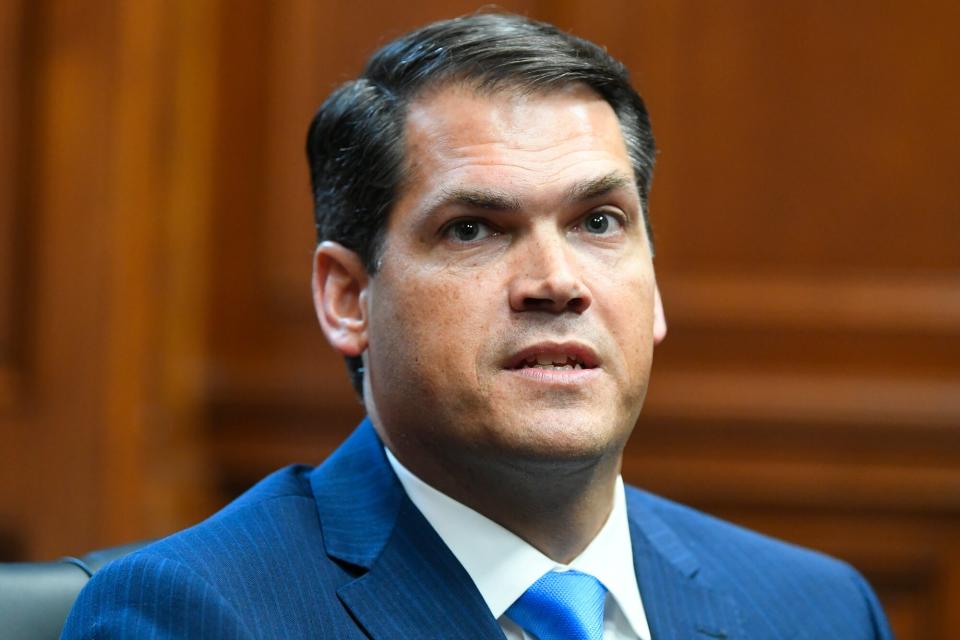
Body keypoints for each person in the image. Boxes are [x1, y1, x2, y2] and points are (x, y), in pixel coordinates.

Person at [63, 12, 893, 639]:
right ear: (348, 298)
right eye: (473, 229)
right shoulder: (197, 614)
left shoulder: (816, 610)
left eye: (599, 222)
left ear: (655, 285)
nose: (557, 282)